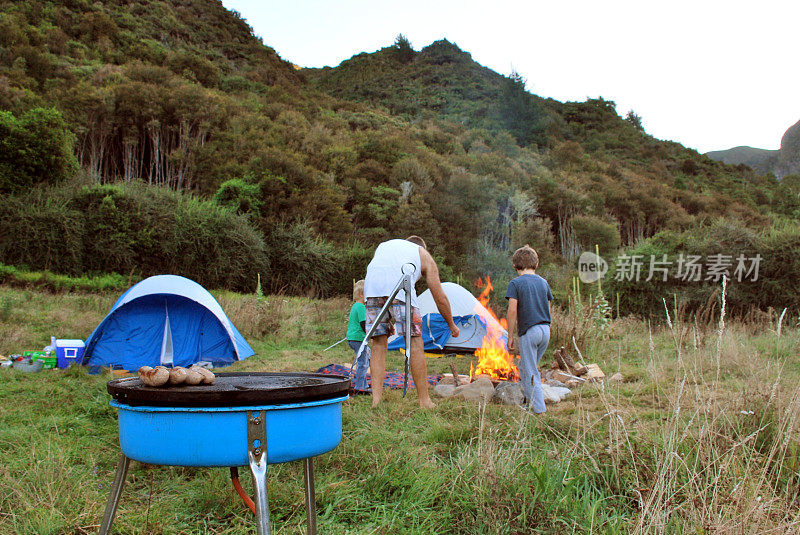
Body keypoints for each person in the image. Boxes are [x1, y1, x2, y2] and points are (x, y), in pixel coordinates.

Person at [364, 236, 459, 408]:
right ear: (423, 247)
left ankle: (376, 401)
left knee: (378, 343)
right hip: (401, 286)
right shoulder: (423, 254)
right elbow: (440, 298)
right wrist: (451, 325)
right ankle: (425, 401)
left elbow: (384, 283)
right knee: (415, 342)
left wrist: (389, 318)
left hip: (371, 287)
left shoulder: (385, 245)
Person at [505, 245, 553, 414]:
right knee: (525, 367)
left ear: (515, 266)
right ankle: (529, 402)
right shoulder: (543, 282)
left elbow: (512, 310)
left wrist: (510, 336)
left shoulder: (515, 283)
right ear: (536, 263)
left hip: (529, 331)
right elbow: (547, 305)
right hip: (545, 330)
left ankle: (539, 411)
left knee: (531, 370)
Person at [346, 280, 371, 395]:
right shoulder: (361, 307)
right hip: (358, 339)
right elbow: (363, 324)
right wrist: (370, 335)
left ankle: (363, 384)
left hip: (352, 338)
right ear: (362, 294)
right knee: (363, 362)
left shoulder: (355, 306)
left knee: (366, 357)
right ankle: (360, 387)